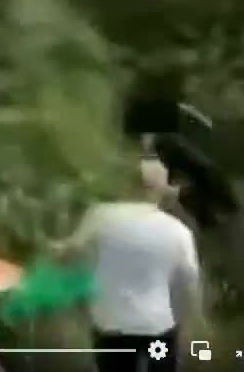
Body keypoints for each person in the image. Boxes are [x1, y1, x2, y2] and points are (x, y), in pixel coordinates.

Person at [57, 157, 205, 372]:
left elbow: (70, 255)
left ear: (128, 184)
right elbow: (189, 282)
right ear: (162, 192)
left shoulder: (100, 216)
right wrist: (183, 319)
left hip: (110, 326)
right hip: (158, 326)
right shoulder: (179, 231)